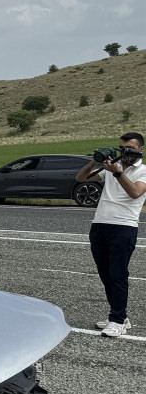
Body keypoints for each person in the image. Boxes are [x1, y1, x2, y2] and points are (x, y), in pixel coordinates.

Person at [76, 132, 146, 337]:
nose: (125, 151)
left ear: (140, 149)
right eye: (122, 148)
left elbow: (134, 192)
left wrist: (117, 173)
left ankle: (117, 320)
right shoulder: (111, 167)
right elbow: (80, 178)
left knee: (117, 274)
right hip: (100, 225)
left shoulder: (142, 171)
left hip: (123, 227)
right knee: (105, 274)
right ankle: (120, 316)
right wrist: (93, 162)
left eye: (130, 148)